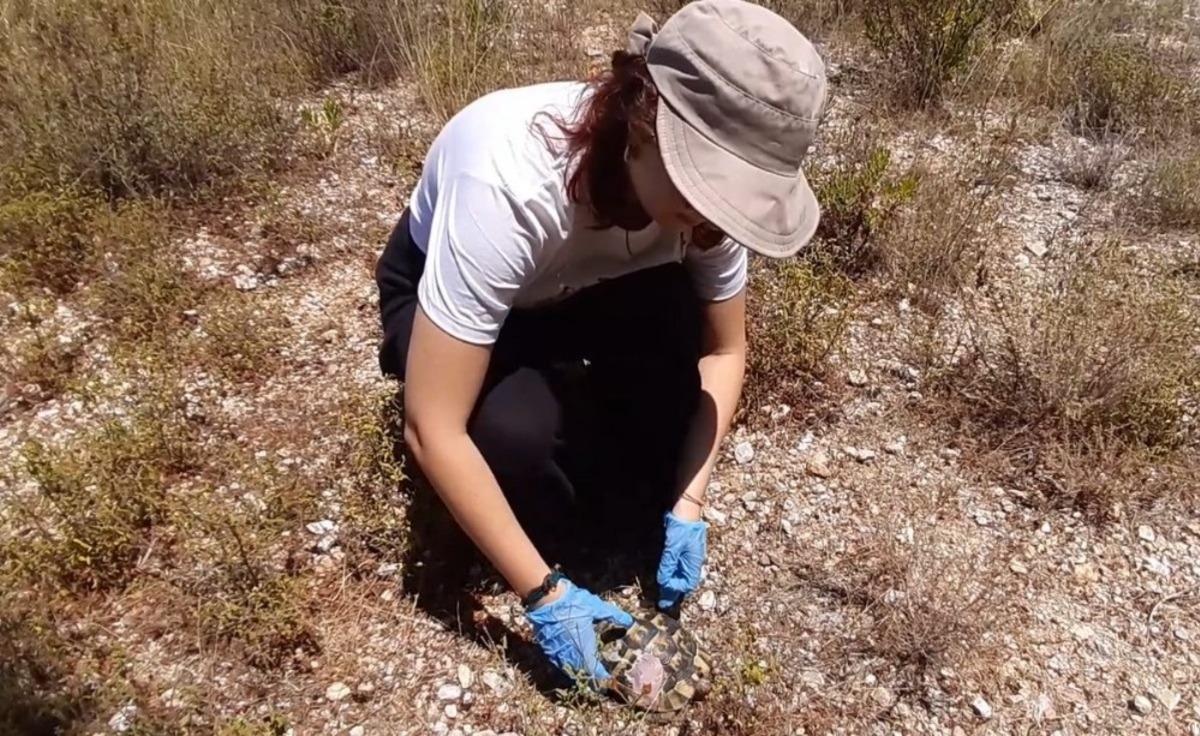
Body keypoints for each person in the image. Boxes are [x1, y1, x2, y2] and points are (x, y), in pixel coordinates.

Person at [374, 0, 827, 686]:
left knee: (663, 418)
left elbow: (724, 351)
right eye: (705, 187)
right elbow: (431, 425)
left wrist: (688, 501)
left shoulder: (702, 215)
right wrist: (544, 596)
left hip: (589, 283)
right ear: (644, 121)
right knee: (512, 441)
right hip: (475, 292)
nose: (714, 222)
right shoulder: (512, 181)